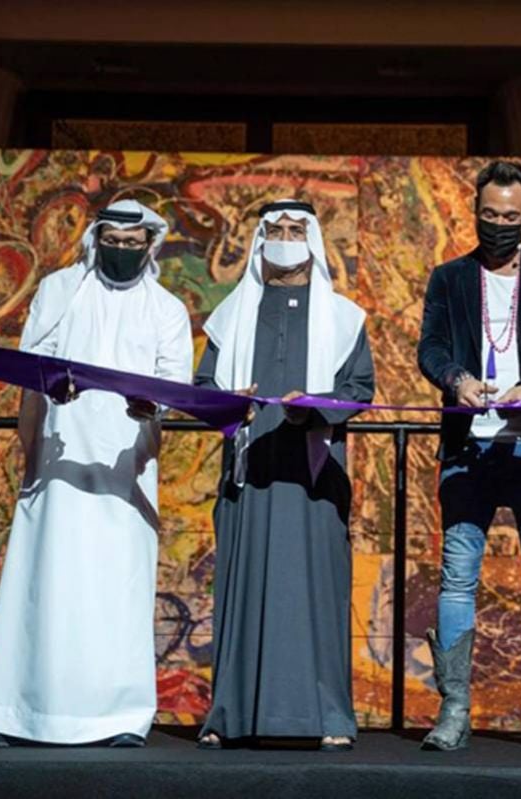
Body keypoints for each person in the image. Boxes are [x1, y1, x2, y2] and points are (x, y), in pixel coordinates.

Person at [0, 199, 193, 747]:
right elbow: (33, 360)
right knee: (46, 581)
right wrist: (52, 383)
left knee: (116, 588)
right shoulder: (60, 290)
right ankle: (17, 714)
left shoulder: (166, 309)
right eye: (112, 242)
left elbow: (174, 384)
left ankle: (117, 718)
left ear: (149, 244)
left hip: (125, 465)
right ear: (97, 240)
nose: (121, 251)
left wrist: (151, 406)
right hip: (60, 456)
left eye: (131, 243)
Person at [416, 161, 521, 754]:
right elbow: (431, 347)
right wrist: (457, 379)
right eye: (489, 214)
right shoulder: (449, 278)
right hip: (470, 447)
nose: (499, 225)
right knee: (457, 578)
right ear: (474, 211)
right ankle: (454, 709)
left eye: (511, 216)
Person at [196, 200, 375, 752]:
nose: (286, 238)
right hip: (250, 474)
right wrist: (232, 404)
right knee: (243, 587)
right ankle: (229, 715)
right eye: (275, 229)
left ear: (313, 240)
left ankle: (328, 716)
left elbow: (359, 389)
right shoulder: (231, 315)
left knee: (316, 591)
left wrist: (314, 408)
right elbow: (203, 389)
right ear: (259, 240)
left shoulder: (344, 318)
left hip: (313, 475)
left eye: (297, 230)